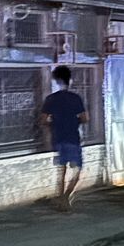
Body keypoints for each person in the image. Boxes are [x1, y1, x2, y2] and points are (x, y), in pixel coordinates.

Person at [41, 64, 87, 209]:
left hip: (58, 138)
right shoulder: (75, 98)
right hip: (73, 138)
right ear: (69, 79)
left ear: (56, 80)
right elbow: (85, 118)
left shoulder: (51, 99)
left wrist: (53, 125)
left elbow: (43, 120)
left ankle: (61, 199)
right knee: (77, 170)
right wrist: (74, 122)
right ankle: (66, 197)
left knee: (62, 170)